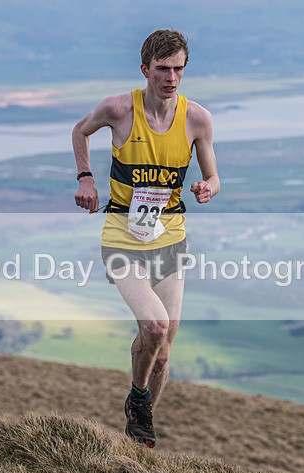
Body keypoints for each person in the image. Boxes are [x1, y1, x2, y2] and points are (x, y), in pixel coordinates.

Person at [72, 29, 220, 448]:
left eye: (178, 69)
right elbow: (79, 132)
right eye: (162, 69)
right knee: (154, 327)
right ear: (145, 70)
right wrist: (86, 178)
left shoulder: (197, 119)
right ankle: (138, 398)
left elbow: (213, 174)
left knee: (165, 349)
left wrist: (209, 187)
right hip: (122, 237)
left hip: (170, 240)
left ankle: (139, 440)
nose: (171, 78)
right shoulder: (118, 109)